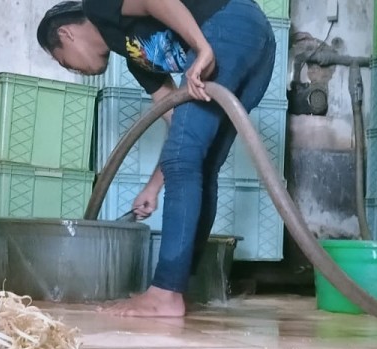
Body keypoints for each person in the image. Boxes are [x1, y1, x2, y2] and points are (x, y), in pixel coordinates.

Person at [37, 0, 276, 317]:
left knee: (189, 159)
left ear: (66, 34)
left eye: (63, 62)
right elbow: (179, 125)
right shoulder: (139, 60)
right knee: (201, 164)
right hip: (256, 40)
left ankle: (165, 293)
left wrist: (202, 48)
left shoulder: (96, 6)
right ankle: (176, 289)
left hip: (227, 23)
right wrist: (153, 186)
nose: (73, 69)